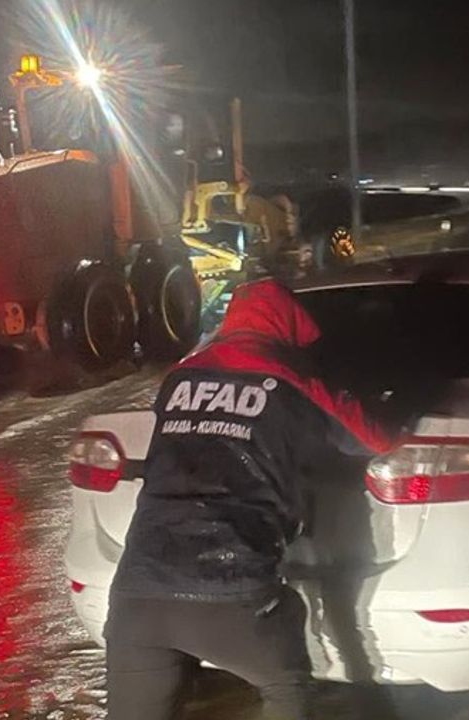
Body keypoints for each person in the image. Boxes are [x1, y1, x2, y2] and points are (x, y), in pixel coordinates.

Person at [105, 278, 398, 720]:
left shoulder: (180, 376)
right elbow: (373, 437)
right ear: (289, 327)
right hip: (231, 595)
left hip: (136, 597)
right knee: (286, 687)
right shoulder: (294, 381)